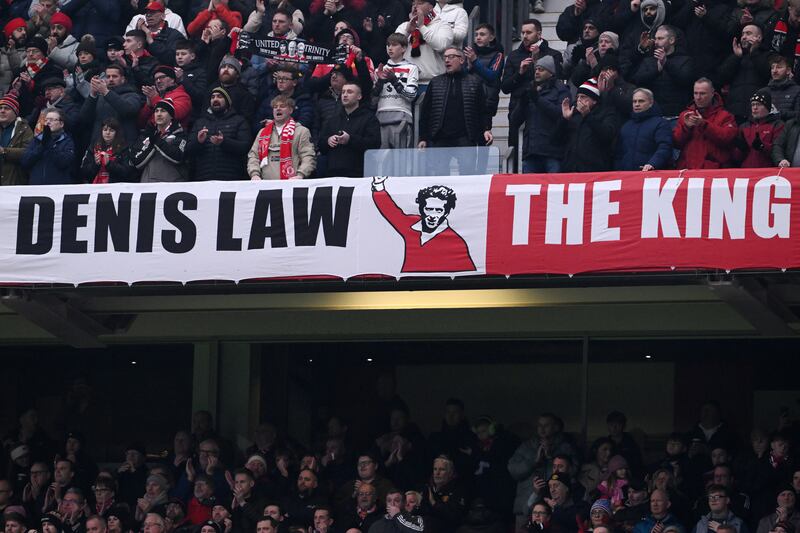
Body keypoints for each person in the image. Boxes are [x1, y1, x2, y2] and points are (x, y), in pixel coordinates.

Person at [371, 176, 476, 273]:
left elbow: (470, 274)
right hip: (403, 287)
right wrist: (379, 186)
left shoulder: (456, 241)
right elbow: (391, 211)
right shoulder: (411, 225)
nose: (432, 215)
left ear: (446, 212)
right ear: (421, 209)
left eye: (438, 210)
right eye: (429, 209)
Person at [417, 47, 492, 161]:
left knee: (467, 173)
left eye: (451, 57)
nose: (447, 60)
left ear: (461, 60)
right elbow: (426, 112)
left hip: (465, 136)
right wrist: (423, 137)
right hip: (440, 137)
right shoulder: (435, 82)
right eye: (445, 57)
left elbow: (483, 109)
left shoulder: (474, 82)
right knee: (439, 175)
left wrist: (486, 128)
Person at [500, 19, 561, 148]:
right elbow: (505, 87)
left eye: (529, 32)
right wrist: (520, 73)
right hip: (518, 107)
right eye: (522, 32)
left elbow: (556, 79)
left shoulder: (553, 54)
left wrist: (536, 61)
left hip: (544, 106)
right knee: (515, 148)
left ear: (539, 34)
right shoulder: (514, 55)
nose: (525, 36)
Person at [631, 25, 695, 119]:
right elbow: (638, 81)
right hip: (653, 115)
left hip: (677, 115)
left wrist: (666, 63)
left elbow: (686, 80)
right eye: (655, 39)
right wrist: (656, 70)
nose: (656, 42)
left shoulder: (685, 60)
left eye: (660, 38)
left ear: (672, 40)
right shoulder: (648, 61)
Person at [557, 78, 619, 172]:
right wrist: (564, 119)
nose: (579, 100)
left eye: (583, 97)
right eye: (577, 97)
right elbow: (555, 140)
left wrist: (588, 116)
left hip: (594, 170)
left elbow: (607, 135)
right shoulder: (574, 115)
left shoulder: (606, 113)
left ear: (594, 100)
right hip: (571, 169)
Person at [187, 87, 250, 181]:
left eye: (219, 96)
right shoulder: (199, 123)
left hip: (231, 179)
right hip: (203, 179)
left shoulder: (239, 121)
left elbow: (245, 147)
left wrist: (224, 142)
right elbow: (188, 150)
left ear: (227, 101)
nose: (215, 99)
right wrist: (198, 141)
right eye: (212, 97)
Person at [673, 78, 738, 169]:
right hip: (688, 170)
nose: (698, 97)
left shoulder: (725, 116)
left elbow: (728, 139)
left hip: (713, 172)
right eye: (696, 93)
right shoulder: (685, 115)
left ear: (712, 93)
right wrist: (686, 128)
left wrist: (704, 125)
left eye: (702, 93)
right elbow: (676, 143)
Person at [319, 82, 380, 177]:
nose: (345, 95)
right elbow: (320, 144)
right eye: (343, 92)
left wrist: (350, 139)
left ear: (359, 96)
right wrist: (328, 141)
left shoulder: (369, 118)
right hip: (332, 174)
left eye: (349, 92)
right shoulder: (333, 120)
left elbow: (374, 144)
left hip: (358, 174)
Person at [248, 95, 315, 181]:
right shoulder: (262, 132)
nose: (278, 109)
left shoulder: (301, 131)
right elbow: (254, 156)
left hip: (292, 185)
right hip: (266, 186)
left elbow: (308, 156)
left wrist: (300, 175)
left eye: (282, 106)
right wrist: (254, 174)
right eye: (275, 107)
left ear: (290, 110)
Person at [522, 55, 570, 173]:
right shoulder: (531, 90)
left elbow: (561, 114)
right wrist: (521, 102)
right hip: (531, 151)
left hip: (552, 151)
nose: (537, 72)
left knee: (554, 188)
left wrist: (537, 99)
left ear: (551, 73)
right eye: (536, 69)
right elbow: (515, 120)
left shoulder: (561, 90)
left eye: (541, 69)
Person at [715, 24, 771, 123]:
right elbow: (721, 78)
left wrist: (754, 53)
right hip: (735, 114)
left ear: (759, 37)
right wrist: (736, 57)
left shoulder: (767, 55)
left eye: (748, 33)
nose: (744, 37)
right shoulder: (736, 57)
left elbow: (767, 74)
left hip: (758, 114)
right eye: (743, 34)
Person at [80, 64, 146, 147]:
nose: (110, 79)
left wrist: (106, 92)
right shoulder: (100, 98)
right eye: (108, 77)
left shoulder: (132, 95)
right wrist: (92, 94)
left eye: (114, 76)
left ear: (123, 79)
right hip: (99, 146)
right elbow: (84, 118)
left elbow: (129, 111)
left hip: (123, 146)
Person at [373, 32, 419, 149]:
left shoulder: (412, 68)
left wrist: (395, 81)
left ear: (403, 48)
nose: (390, 48)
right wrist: (380, 83)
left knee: (401, 160)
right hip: (381, 118)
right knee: (382, 161)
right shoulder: (380, 69)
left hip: (402, 117)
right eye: (388, 45)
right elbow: (373, 100)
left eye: (394, 45)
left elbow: (411, 95)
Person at [395, 0, 455, 86]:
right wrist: (407, 32)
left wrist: (421, 27)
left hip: (433, 82)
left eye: (420, 3)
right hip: (404, 82)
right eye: (413, 4)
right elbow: (392, 49)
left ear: (431, 7)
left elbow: (441, 46)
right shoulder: (404, 26)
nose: (415, 7)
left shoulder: (442, 26)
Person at [615, 87, 673, 170]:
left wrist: (653, 164)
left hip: (651, 175)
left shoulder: (660, 123)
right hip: (627, 177)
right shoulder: (626, 126)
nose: (637, 104)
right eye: (634, 101)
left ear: (651, 103)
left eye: (641, 101)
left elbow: (665, 147)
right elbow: (619, 154)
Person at [131, 99, 187, 182]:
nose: (159, 114)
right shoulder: (146, 135)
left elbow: (178, 157)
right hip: (148, 186)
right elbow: (135, 162)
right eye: (156, 111)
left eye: (163, 111)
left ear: (171, 116)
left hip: (171, 185)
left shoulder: (180, 134)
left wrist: (156, 139)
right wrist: (153, 140)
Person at [20, 108, 75, 184]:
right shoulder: (36, 140)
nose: (48, 122)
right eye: (46, 120)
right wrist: (42, 145)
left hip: (57, 189)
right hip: (36, 187)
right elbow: (25, 161)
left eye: (52, 120)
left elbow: (63, 162)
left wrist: (49, 143)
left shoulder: (67, 141)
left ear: (61, 124)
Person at [734, 89, 783, 167]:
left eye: (759, 104)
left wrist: (762, 147)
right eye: (753, 105)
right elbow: (737, 158)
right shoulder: (744, 127)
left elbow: (778, 149)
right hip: (747, 171)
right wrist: (739, 149)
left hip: (768, 172)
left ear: (767, 107)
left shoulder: (777, 125)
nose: (755, 108)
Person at [465, 23, 503, 124]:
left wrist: (475, 62)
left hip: (486, 102)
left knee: (483, 136)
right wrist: (468, 67)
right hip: (468, 99)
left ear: (491, 37)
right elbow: (462, 76)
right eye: (476, 34)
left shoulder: (498, 54)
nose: (478, 37)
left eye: (482, 34)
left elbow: (492, 76)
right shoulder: (471, 53)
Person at [79, 119, 133, 183]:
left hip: (115, 188)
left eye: (111, 130)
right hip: (94, 188)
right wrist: (95, 164)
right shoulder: (93, 147)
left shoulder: (123, 148)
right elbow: (83, 172)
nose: (107, 133)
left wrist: (109, 164)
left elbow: (127, 173)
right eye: (105, 130)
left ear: (117, 132)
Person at [0, 94, 34, 185]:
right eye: (0, 108)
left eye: (7, 108)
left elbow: (29, 153)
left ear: (15, 112)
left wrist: (4, 151)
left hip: (13, 182)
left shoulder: (24, 129)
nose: (2, 111)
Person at [767, 55, 800, 121]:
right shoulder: (764, 91)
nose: (774, 71)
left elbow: (798, 115)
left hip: (788, 129)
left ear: (788, 70)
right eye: (772, 68)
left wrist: (780, 114)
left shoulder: (797, 91)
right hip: (767, 130)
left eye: (779, 67)